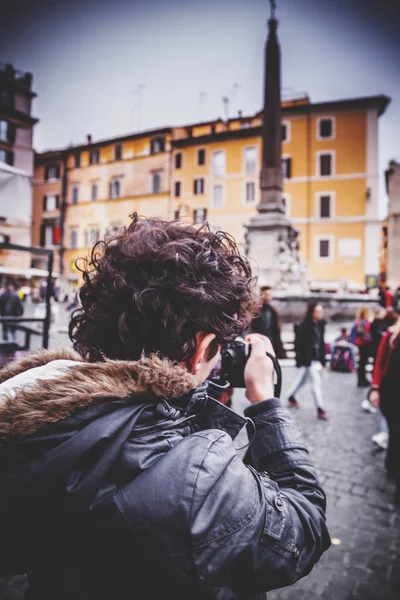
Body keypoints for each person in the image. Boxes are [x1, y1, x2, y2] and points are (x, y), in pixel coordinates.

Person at [0, 216, 330, 600]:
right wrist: (267, 403)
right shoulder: (193, 481)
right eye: (218, 349)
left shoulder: (44, 414)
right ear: (200, 349)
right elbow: (303, 530)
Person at [370, 318, 400, 505]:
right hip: (390, 392)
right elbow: (380, 362)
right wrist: (375, 387)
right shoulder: (391, 336)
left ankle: (392, 466)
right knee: (396, 432)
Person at [287, 302, 328, 420]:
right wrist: (301, 360)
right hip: (308, 359)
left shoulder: (319, 325)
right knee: (316, 383)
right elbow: (300, 345)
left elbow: (320, 343)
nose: (320, 314)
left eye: (321, 311)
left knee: (303, 380)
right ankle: (320, 408)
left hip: (314, 359)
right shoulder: (305, 326)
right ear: (312, 312)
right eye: (318, 311)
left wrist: (322, 358)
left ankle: (291, 396)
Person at [250, 285, 286, 358]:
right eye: (266, 295)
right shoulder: (256, 310)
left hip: (270, 342)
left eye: (269, 295)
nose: (268, 297)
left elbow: (275, 330)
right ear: (261, 295)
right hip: (259, 342)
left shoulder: (272, 311)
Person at [349, 307, 372, 388]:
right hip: (363, 345)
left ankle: (362, 379)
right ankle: (362, 380)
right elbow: (361, 332)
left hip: (361, 345)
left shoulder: (359, 321)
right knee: (363, 363)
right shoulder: (363, 322)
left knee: (362, 363)